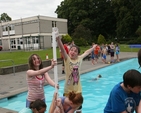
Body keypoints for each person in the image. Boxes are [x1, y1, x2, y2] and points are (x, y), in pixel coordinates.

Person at [56, 36, 97, 113]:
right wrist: (59, 40)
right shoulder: (67, 59)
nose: (73, 52)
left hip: (78, 90)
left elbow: (87, 52)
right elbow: (62, 50)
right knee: (67, 108)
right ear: (69, 51)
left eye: (75, 51)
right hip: (68, 90)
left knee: (78, 108)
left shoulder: (79, 59)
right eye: (71, 50)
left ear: (78, 54)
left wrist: (93, 47)